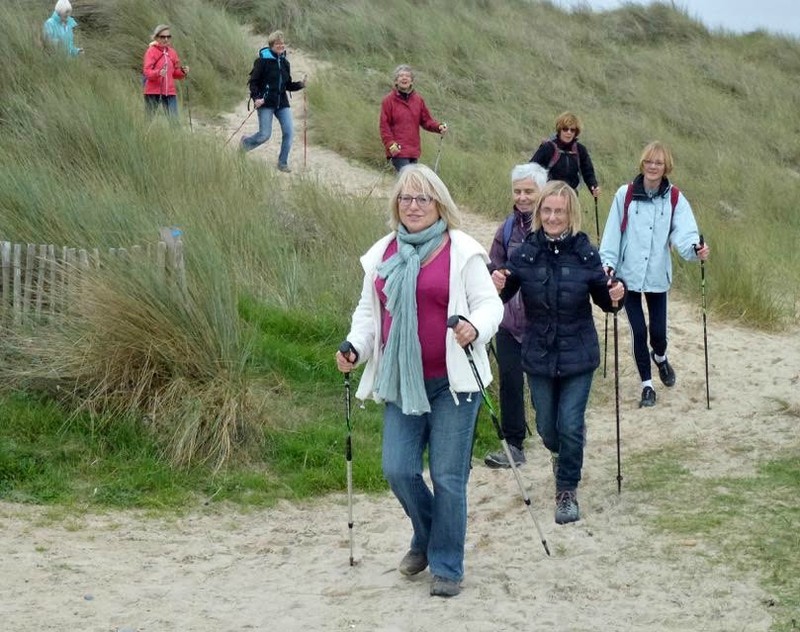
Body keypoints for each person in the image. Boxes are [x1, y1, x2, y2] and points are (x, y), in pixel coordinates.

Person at [335, 164, 502, 598]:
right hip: (402, 382)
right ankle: (428, 536)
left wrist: (473, 327)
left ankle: (447, 564)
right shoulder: (382, 254)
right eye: (406, 199)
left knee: (448, 477)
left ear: (439, 204)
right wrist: (354, 347)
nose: (413, 206)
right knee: (398, 468)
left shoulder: (461, 250)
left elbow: (490, 305)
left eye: (422, 199)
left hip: (455, 383)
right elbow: (369, 316)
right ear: (396, 205)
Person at [497, 181, 626, 524]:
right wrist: (496, 285)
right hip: (538, 353)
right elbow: (502, 295)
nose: (553, 217)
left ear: (572, 214)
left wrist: (616, 296)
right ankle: (563, 454)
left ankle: (566, 490)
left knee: (569, 425)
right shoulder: (525, 252)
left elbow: (605, 300)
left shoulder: (586, 252)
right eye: (547, 210)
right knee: (547, 429)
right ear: (539, 213)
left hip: (578, 354)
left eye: (560, 211)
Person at [599, 141, 710, 408]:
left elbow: (684, 233)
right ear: (642, 164)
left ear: (665, 167)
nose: (652, 167)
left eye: (658, 163)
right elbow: (613, 233)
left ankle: (660, 357)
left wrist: (695, 249)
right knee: (639, 331)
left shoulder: (674, 198)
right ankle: (647, 386)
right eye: (649, 161)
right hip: (628, 277)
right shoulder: (624, 194)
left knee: (658, 333)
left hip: (658, 277)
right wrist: (608, 264)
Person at [483, 162, 549, 469]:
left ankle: (554, 436)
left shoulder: (553, 227)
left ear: (542, 192)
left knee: (543, 384)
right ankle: (513, 444)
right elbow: (494, 264)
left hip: (542, 322)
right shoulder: (506, 228)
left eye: (528, 191)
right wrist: (494, 275)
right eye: (517, 191)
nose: (522, 197)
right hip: (508, 321)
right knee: (510, 380)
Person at [241, 30, 306, 173]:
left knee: (289, 132)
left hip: (282, 103)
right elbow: (253, 82)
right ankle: (245, 144)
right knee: (265, 135)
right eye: (278, 44)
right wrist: (256, 98)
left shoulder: (284, 62)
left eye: (282, 43)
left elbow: (287, 85)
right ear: (271, 45)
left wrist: (300, 85)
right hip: (265, 103)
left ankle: (282, 163)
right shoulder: (262, 61)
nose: (281, 46)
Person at [379, 65, 447, 172]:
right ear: (396, 81)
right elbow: (384, 126)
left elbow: (426, 121)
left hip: (413, 151)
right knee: (407, 180)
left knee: (409, 183)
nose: (404, 78)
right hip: (397, 151)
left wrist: (438, 127)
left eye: (407, 76)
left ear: (412, 81)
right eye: (401, 76)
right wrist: (390, 144)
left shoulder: (418, 100)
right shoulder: (388, 101)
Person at [530, 111, 600, 197]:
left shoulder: (580, 150)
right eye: (565, 129)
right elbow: (531, 168)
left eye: (572, 130)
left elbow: (588, 172)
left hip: (571, 196)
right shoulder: (548, 147)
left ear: (576, 132)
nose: (569, 132)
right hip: (549, 195)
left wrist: (593, 186)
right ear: (559, 130)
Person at [142, 24, 189, 117]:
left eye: (168, 36)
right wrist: (158, 73)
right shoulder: (151, 51)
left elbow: (174, 73)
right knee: (149, 121)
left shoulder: (172, 52)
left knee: (174, 122)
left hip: (169, 92)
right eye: (163, 37)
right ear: (156, 38)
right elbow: (147, 72)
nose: (166, 39)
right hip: (153, 92)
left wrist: (182, 72)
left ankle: (174, 132)